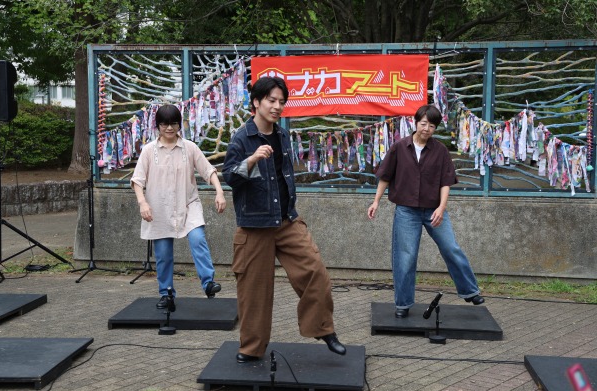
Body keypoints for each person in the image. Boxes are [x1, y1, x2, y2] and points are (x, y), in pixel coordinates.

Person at [222, 76, 346, 363]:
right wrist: (252, 159)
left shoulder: (282, 135)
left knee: (315, 272)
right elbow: (230, 177)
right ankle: (251, 348)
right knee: (254, 291)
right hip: (255, 225)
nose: (277, 106)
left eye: (281, 101)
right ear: (256, 102)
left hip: (287, 220)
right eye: (271, 100)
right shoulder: (242, 138)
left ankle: (323, 329)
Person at [367, 104, 484, 318]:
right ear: (415, 122)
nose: (426, 129)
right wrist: (376, 202)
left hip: (434, 211)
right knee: (405, 256)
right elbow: (385, 176)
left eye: (431, 126)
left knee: (451, 248)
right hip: (406, 211)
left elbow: (446, 182)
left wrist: (441, 207)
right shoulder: (399, 147)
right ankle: (403, 304)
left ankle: (470, 291)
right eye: (423, 124)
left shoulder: (440, 151)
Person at [131, 104, 226, 308]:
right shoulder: (149, 151)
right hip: (159, 208)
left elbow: (208, 171)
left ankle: (208, 283)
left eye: (173, 123)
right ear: (157, 125)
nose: (169, 128)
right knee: (163, 255)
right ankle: (166, 294)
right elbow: (137, 180)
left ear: (179, 125)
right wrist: (142, 203)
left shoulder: (189, 148)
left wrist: (219, 192)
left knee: (198, 238)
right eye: (164, 124)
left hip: (188, 204)